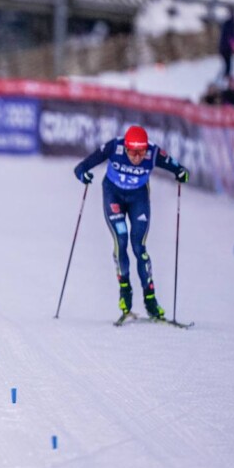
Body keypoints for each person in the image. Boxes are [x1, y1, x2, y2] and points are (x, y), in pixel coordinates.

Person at [73, 125, 189, 321]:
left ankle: (150, 299)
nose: (136, 157)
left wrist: (181, 172)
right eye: (132, 152)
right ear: (125, 148)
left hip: (138, 199)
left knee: (139, 247)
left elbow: (176, 166)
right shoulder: (115, 147)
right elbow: (84, 165)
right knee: (121, 240)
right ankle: (125, 289)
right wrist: (82, 173)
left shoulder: (153, 152)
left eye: (141, 152)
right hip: (113, 195)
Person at [218, 8, 234, 79]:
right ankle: (226, 76)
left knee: (227, 63)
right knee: (228, 63)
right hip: (226, 47)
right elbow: (233, 35)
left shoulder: (226, 23)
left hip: (223, 47)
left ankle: (226, 75)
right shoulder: (231, 24)